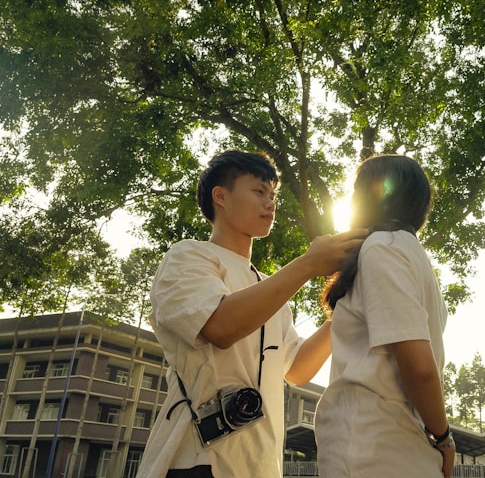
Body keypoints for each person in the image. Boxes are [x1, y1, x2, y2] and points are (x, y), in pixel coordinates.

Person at [136, 150, 366, 478]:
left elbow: (298, 369)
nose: (270, 204)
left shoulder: (268, 290)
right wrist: (309, 264)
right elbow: (220, 326)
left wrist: (346, 307)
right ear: (220, 196)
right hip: (198, 461)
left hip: (260, 466)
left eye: (273, 196)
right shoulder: (188, 256)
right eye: (259, 192)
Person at [314, 154, 456, 478]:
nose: (351, 199)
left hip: (372, 443)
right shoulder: (406, 251)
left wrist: (444, 438)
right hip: (391, 440)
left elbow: (420, 368)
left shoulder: (382, 247)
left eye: (357, 191)